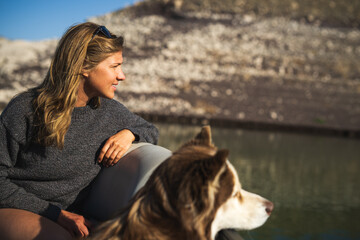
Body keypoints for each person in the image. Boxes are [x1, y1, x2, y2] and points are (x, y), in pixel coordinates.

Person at [0, 22, 160, 239]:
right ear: (84, 67)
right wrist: (56, 215)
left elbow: (150, 129)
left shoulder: (110, 112)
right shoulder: (25, 109)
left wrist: (129, 134)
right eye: (114, 66)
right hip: (14, 209)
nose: (122, 76)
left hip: (67, 218)